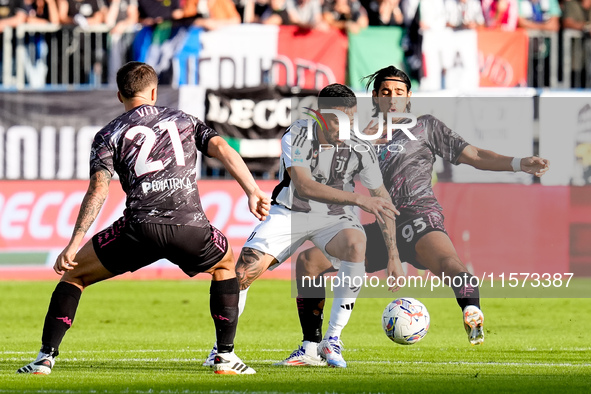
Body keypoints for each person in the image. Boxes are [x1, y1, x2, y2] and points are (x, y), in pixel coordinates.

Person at [282, 65, 551, 366]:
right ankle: (311, 347)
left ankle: (470, 310)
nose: (392, 98)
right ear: (375, 97)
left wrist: (518, 163)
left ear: (409, 96)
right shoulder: (355, 136)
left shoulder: (425, 126)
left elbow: (474, 155)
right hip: (383, 225)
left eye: (399, 92)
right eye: (386, 92)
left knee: (449, 264)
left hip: (419, 216)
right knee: (308, 262)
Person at [16, 62, 270, 376]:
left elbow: (98, 189)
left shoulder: (108, 134)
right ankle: (225, 357)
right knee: (225, 265)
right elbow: (219, 146)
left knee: (74, 276)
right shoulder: (184, 120)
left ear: (119, 94)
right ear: (153, 91)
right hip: (190, 226)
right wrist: (253, 190)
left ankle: (44, 359)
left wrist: (73, 244)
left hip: (139, 229)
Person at [203, 83, 403, 369]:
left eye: (349, 118)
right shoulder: (298, 134)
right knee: (242, 272)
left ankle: (327, 342)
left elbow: (381, 199)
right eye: (335, 120)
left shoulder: (361, 147)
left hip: (336, 216)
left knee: (356, 245)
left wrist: (393, 255)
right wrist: (359, 199)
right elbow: (305, 186)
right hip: (290, 212)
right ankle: (220, 349)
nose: (342, 127)